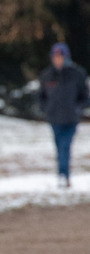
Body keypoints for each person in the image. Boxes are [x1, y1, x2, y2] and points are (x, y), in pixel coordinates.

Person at [38, 42, 89, 187]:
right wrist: (46, 109)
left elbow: (85, 97)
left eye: (60, 57)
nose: (57, 60)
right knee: (59, 146)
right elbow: (41, 97)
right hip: (54, 118)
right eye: (55, 57)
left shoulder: (77, 74)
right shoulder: (47, 75)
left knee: (65, 146)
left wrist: (77, 109)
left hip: (71, 119)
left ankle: (63, 175)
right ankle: (62, 174)